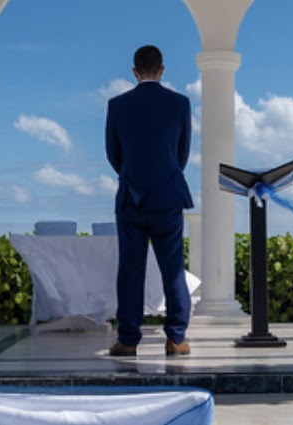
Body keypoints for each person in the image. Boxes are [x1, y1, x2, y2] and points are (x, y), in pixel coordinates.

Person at [104, 45, 194, 356]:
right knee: (173, 271)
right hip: (168, 197)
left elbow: (113, 154)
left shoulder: (117, 105)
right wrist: (164, 178)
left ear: (134, 71)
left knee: (130, 271)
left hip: (131, 198)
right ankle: (176, 337)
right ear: (162, 69)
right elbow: (181, 154)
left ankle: (128, 340)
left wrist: (134, 177)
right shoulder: (180, 104)